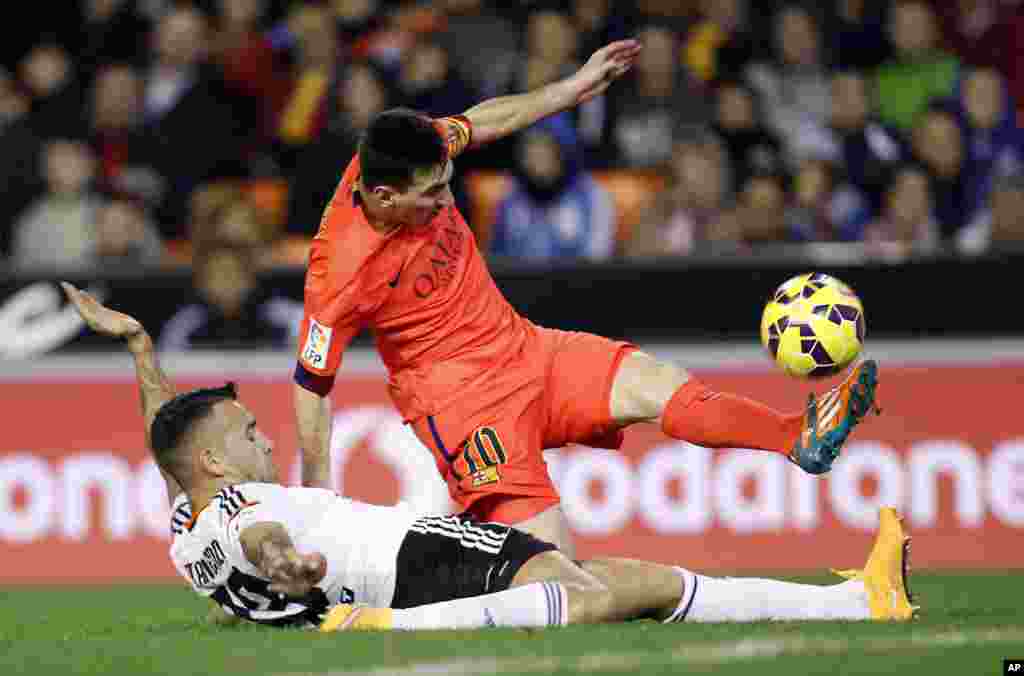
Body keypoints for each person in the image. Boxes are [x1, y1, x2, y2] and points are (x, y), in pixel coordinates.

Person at [291, 38, 882, 559]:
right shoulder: (340, 270)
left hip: (524, 349)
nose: (449, 201)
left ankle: (795, 437)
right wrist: (316, 508)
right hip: (463, 407)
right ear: (386, 197)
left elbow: (483, 120)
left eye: (449, 182)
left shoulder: (413, 147)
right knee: (556, 581)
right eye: (433, 194)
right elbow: (311, 388)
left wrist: (570, 89)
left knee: (658, 383)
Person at [62, 283, 916, 632]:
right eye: (248, 436)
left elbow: (167, 445)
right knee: (581, 592)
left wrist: (140, 345)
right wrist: (291, 566)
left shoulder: (186, 527)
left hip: (392, 571)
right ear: (217, 462)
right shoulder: (244, 515)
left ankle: (856, 600)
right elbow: (262, 540)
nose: (264, 440)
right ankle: (388, 631)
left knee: (637, 582)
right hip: (412, 559)